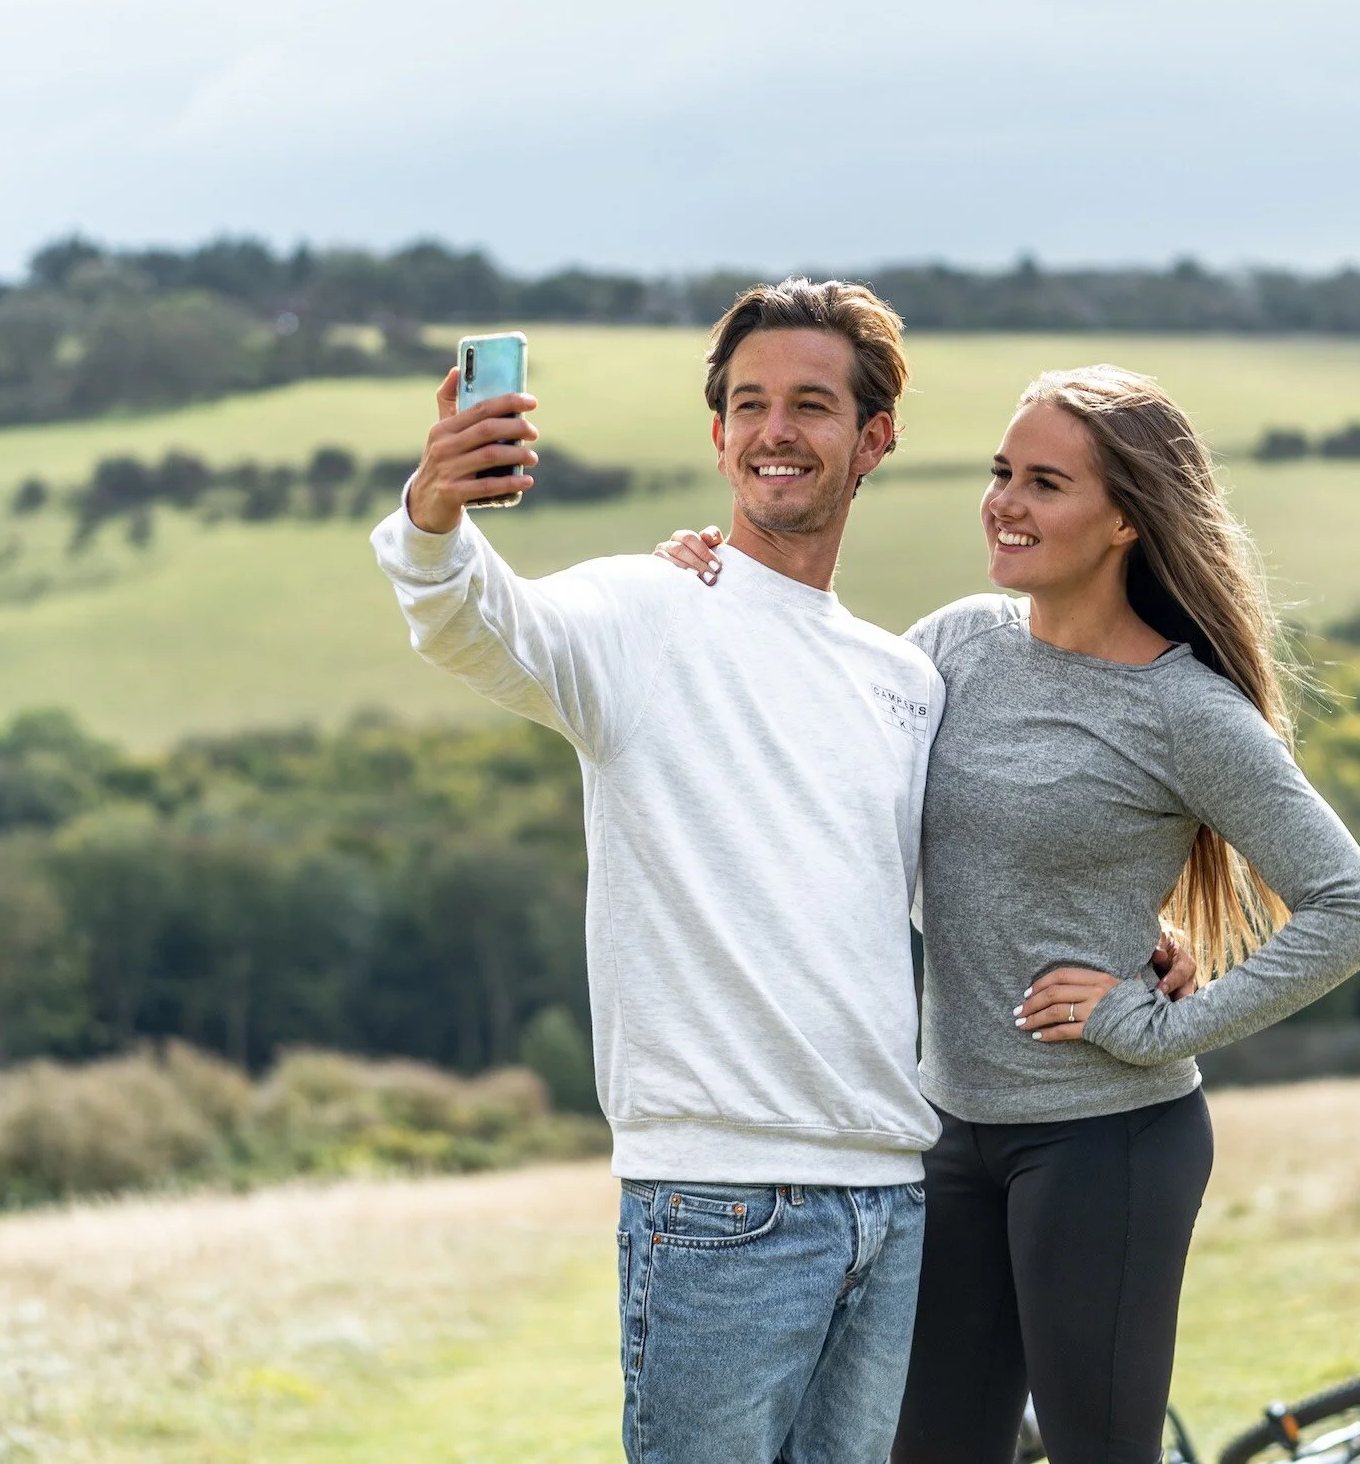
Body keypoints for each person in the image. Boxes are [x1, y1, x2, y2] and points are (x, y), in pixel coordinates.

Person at [652, 365, 1360, 1464]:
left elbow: (1353, 909)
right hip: (948, 1128)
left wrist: (1153, 1025)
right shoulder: (957, 643)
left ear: (1125, 521)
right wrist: (713, 594)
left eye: (1045, 482)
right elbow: (830, 777)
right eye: (1003, 471)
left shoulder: (1185, 710)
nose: (1003, 500)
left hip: (1107, 1141)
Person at [373, 279, 949, 1464]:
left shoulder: (904, 681)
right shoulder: (645, 607)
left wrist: (1133, 934)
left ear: (874, 437)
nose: (773, 430)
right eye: (748, 403)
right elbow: (477, 623)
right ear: (717, 433)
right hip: (718, 1200)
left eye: (809, 403)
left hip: (888, 1196)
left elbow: (944, 902)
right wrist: (435, 511)